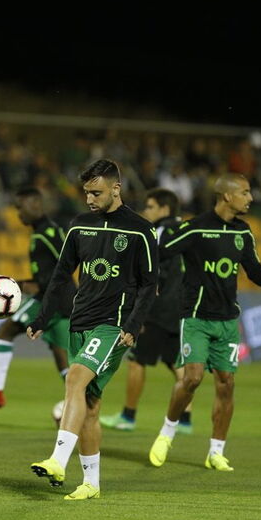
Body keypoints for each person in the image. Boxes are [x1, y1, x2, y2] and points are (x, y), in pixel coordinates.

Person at [26, 159, 158, 500]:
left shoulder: (140, 230)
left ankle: (58, 460)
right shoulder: (80, 225)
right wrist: (42, 317)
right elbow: (60, 276)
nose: (89, 199)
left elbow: (149, 284)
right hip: (79, 321)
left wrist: (134, 323)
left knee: (74, 378)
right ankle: (91, 484)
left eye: (96, 192)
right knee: (90, 405)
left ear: (116, 189)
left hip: (114, 325)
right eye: (86, 192)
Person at [148, 173, 261, 472]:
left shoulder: (243, 232)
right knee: (192, 378)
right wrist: (148, 282)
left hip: (227, 321)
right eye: (246, 192)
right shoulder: (196, 228)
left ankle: (216, 451)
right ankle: (167, 432)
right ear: (227, 196)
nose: (251, 198)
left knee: (227, 384)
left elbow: (254, 270)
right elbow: (159, 253)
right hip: (197, 318)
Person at [100, 188, 194, 433]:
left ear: (164, 209)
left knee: (136, 361)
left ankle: (127, 416)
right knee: (176, 362)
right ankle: (184, 419)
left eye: (150, 207)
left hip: (159, 308)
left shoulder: (160, 232)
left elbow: (152, 270)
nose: (146, 212)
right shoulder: (186, 230)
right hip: (182, 307)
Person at [0, 187, 73, 408]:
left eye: (21, 207)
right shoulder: (40, 232)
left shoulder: (49, 234)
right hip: (57, 297)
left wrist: (30, 284)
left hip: (53, 297)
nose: (19, 214)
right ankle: (80, 398)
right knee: (59, 350)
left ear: (36, 204)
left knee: (6, 330)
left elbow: (68, 263)